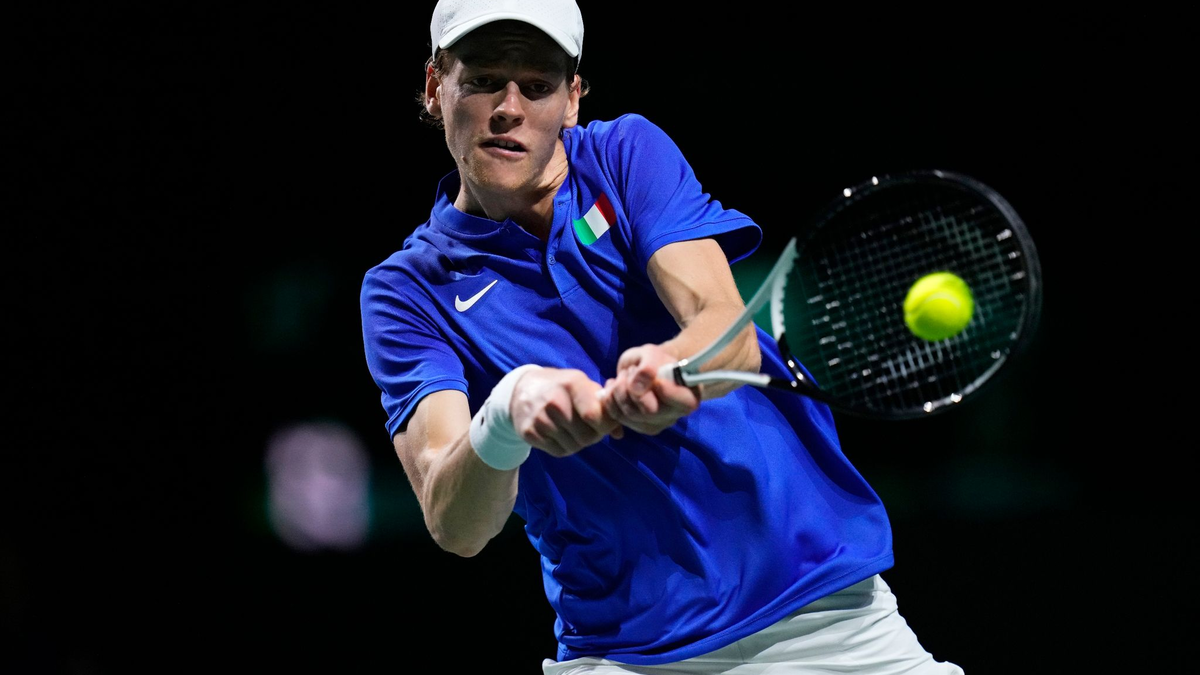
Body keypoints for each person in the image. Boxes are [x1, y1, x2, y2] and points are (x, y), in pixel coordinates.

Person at [360, 1, 965, 672]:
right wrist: (506, 413)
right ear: (434, 86)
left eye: (537, 86)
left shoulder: (626, 154)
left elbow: (723, 332)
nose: (509, 108)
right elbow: (455, 523)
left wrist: (673, 369)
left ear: (573, 99)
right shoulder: (405, 291)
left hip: (818, 611)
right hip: (626, 651)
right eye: (482, 80)